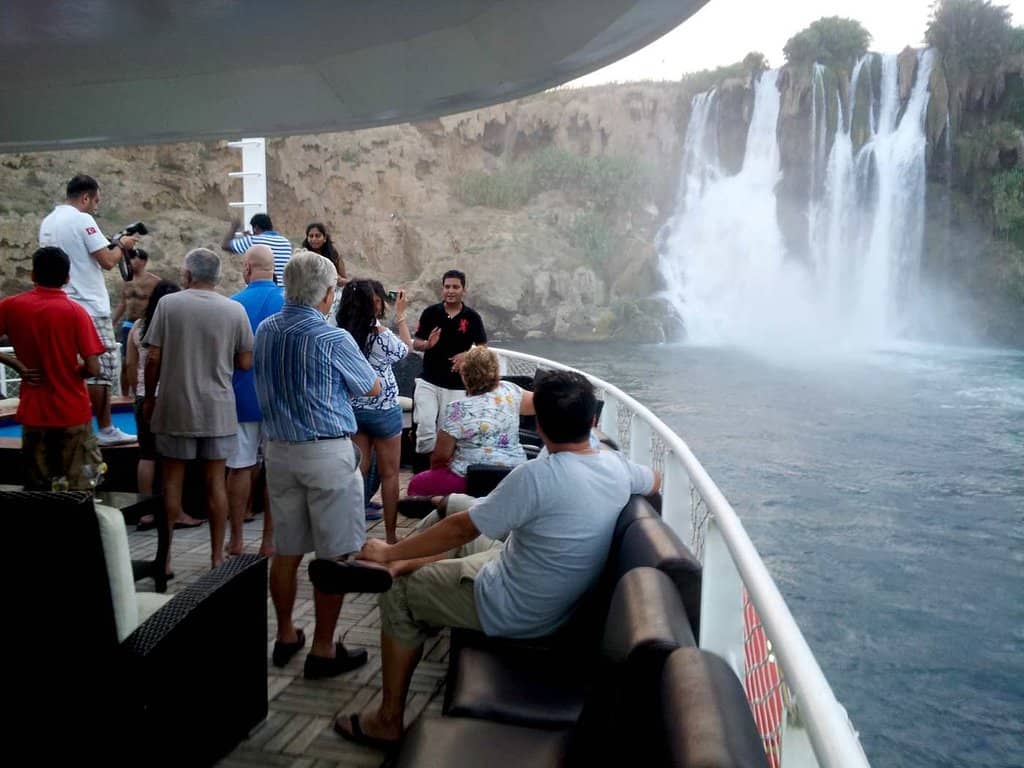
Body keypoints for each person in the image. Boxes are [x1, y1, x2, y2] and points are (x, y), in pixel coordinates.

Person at [319, 370, 660, 748]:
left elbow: (464, 530)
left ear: (539, 424)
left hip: (515, 607)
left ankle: (387, 719)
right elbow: (655, 480)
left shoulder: (537, 477)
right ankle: (396, 567)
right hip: (533, 580)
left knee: (401, 593)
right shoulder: (616, 467)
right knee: (455, 509)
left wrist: (390, 547)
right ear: (593, 422)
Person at [254, 250, 382, 680]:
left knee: (286, 549)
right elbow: (369, 386)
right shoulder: (332, 338)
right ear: (328, 293)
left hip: (279, 452)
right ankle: (324, 650)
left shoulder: (266, 330)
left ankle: (286, 634)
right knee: (335, 554)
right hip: (326, 453)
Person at [142, 248, 254, 575]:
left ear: (188, 275)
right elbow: (246, 361)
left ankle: (164, 559)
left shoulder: (168, 304)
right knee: (215, 482)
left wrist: (150, 397)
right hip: (218, 408)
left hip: (176, 405)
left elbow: (152, 358)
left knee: (172, 482)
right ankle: (217, 557)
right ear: (217, 277)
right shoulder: (234, 310)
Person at [39, 174, 139, 445]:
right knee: (103, 367)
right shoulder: (82, 219)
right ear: (85, 198)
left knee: (72, 368)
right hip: (90, 307)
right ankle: (105, 429)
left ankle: (74, 424)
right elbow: (107, 261)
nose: (96, 207)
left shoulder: (48, 222)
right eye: (96, 201)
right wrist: (122, 246)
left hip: (61, 304)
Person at [0, 247, 105, 489]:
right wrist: (77, 371)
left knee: (38, 487)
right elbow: (93, 367)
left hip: (34, 411)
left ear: (33, 275)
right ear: (68, 278)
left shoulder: (12, 306)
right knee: (80, 484)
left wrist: (18, 366)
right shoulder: (76, 312)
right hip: (72, 411)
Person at [336, 280, 413, 544]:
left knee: (359, 471)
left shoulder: (340, 333)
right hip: (384, 409)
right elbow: (406, 350)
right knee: (390, 474)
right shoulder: (379, 333)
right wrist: (400, 315)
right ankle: (391, 537)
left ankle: (353, 535)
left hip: (354, 409)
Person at [406, 346, 532, 497]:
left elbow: (441, 457)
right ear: (496, 372)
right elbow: (545, 402)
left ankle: (447, 511)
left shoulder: (457, 409)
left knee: (417, 485)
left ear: (464, 375)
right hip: (514, 474)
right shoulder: (511, 392)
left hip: (470, 478)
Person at [227, 245, 285, 558]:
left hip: (241, 399)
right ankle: (269, 542)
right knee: (275, 472)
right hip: (279, 402)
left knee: (239, 468)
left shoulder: (232, 304)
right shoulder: (289, 304)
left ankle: (235, 539)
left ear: (248, 267)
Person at [410, 269, 486, 464]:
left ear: (464, 290)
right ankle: (422, 466)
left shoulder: (472, 318)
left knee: (446, 430)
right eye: (447, 287)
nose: (450, 291)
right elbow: (416, 343)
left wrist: (467, 356)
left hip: (456, 385)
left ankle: (440, 468)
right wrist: (428, 344)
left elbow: (482, 348)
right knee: (426, 424)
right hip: (429, 380)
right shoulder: (430, 313)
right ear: (442, 289)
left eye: (455, 287)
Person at [124, 280, 181, 499]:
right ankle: (172, 509)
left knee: (146, 455)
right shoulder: (175, 327)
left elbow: (130, 364)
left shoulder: (138, 326)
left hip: (142, 395)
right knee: (171, 457)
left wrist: (136, 392)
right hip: (169, 396)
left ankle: (145, 508)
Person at [112, 248, 160, 356]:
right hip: (128, 323)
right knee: (126, 357)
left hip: (145, 325)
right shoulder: (126, 280)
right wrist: (112, 323)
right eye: (129, 258)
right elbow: (122, 304)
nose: (130, 260)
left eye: (133, 258)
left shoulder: (154, 281)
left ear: (143, 261)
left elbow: (161, 304)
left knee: (144, 357)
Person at [221, 213, 293, 284]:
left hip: (263, 289)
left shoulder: (252, 241)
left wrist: (234, 227)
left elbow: (225, 245)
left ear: (256, 228)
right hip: (284, 290)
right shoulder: (286, 242)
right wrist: (251, 237)